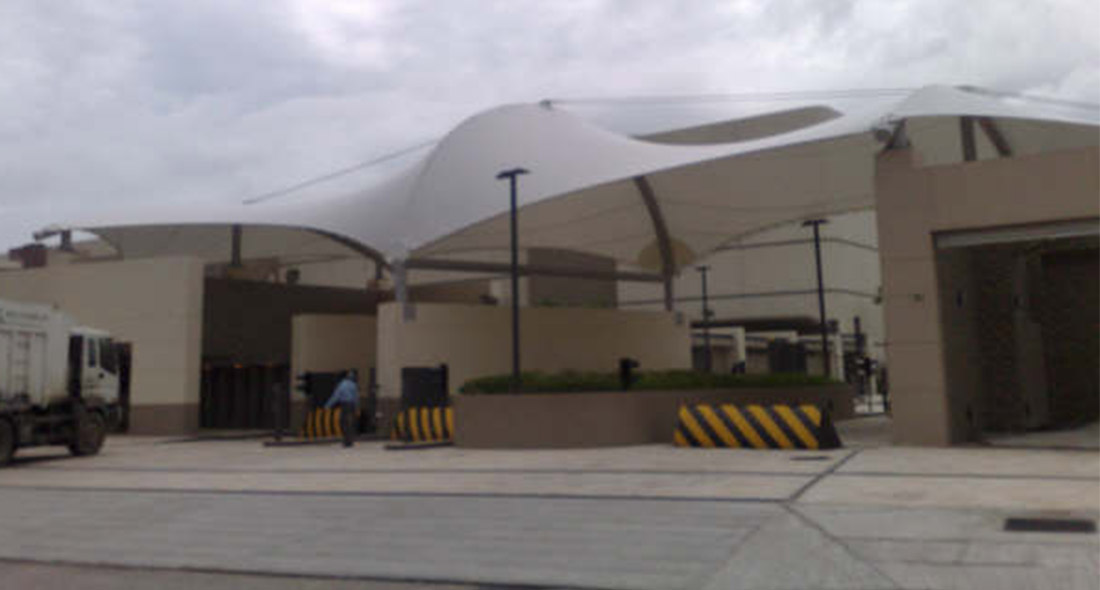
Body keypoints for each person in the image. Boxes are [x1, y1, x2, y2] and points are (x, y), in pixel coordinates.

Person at [324, 370, 359, 447]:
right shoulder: (354, 385)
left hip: (345, 405)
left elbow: (336, 396)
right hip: (352, 405)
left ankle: (346, 440)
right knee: (351, 422)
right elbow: (356, 397)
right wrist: (357, 407)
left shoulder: (342, 385)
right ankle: (350, 440)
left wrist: (328, 405)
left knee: (343, 422)